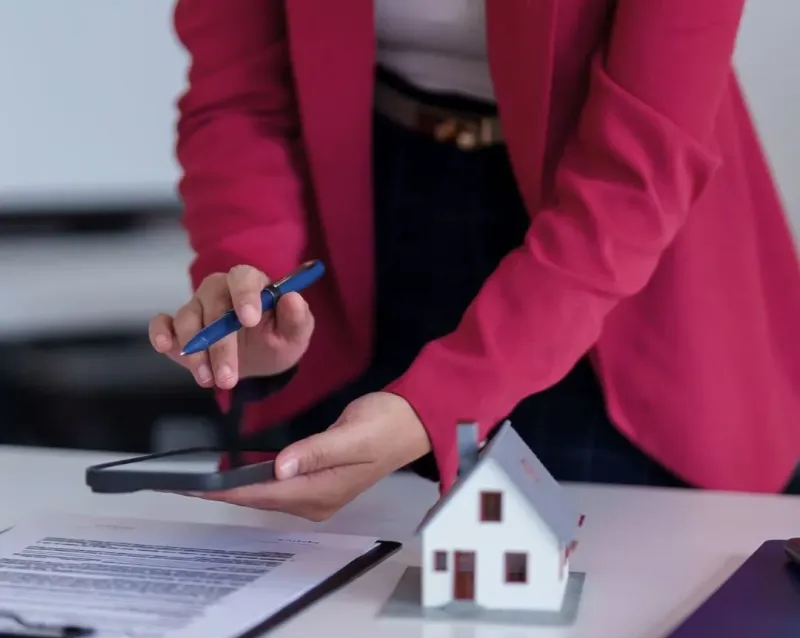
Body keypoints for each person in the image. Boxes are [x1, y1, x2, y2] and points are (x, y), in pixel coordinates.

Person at [149, 0, 800, 520]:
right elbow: (239, 95)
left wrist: (438, 406)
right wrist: (252, 273)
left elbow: (634, 176)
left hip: (619, 280)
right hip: (359, 215)